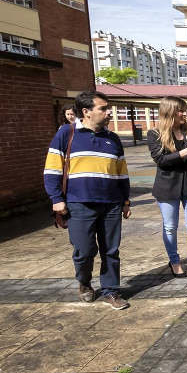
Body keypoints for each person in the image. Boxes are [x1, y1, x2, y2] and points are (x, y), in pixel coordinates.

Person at [44, 91, 132, 309]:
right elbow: (52, 169)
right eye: (103, 108)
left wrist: (125, 201)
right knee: (84, 250)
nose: (109, 112)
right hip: (78, 203)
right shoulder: (67, 133)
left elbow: (122, 174)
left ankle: (111, 290)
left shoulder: (113, 139)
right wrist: (56, 198)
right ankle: (84, 282)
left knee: (111, 250)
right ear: (86, 112)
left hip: (111, 203)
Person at [147, 97, 187, 287]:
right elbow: (161, 160)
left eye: (185, 110)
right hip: (167, 188)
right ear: (169, 112)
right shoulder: (154, 134)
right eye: (181, 111)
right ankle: (175, 262)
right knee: (170, 227)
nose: (185, 114)